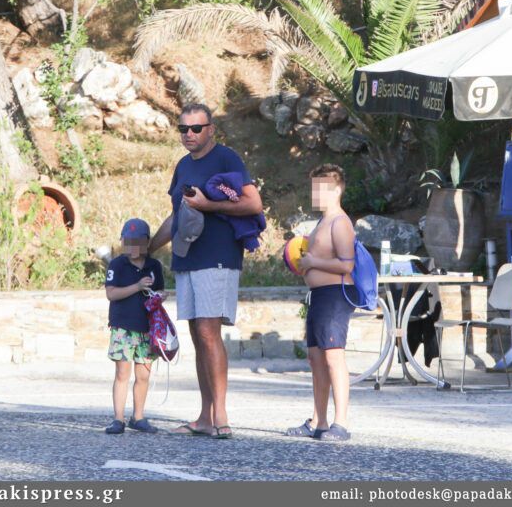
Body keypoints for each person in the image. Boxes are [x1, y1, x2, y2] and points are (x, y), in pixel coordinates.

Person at [150, 103, 263, 439]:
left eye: (196, 128)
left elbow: (253, 203)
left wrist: (208, 205)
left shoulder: (227, 158)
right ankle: (204, 417)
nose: (189, 134)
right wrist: (147, 249)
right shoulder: (183, 165)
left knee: (209, 332)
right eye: (183, 129)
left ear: (210, 129)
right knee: (198, 336)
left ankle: (221, 416)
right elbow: (176, 216)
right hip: (186, 258)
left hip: (218, 257)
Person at [286, 164, 355, 442]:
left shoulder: (340, 222)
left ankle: (341, 423)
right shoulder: (321, 223)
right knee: (315, 358)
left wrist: (313, 262)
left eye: (322, 189)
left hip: (335, 295)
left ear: (336, 190)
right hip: (317, 296)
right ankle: (319, 420)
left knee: (333, 356)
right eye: (314, 188)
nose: (316, 194)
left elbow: (346, 264)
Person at [104, 218, 165, 435]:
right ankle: (118, 419)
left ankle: (138, 417)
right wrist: (137, 286)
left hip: (147, 328)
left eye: (137, 242)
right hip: (123, 327)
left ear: (147, 242)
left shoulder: (154, 266)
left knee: (143, 375)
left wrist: (160, 296)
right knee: (122, 374)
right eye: (128, 242)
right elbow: (111, 293)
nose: (132, 247)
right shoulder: (117, 265)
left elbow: (158, 291)